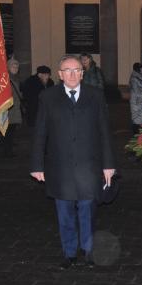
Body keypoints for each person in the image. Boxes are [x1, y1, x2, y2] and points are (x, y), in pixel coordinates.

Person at [30, 54, 116, 270]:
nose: (72, 74)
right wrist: (37, 165)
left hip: (89, 166)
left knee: (88, 210)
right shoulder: (48, 97)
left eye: (76, 70)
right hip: (60, 167)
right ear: (60, 74)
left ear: (82, 73)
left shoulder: (95, 95)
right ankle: (69, 253)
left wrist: (108, 164)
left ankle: (88, 251)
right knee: (65, 212)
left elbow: (105, 132)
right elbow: (40, 133)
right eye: (67, 70)